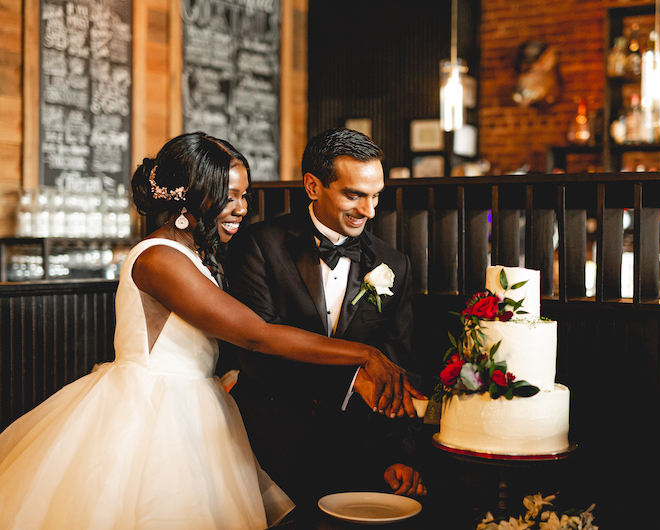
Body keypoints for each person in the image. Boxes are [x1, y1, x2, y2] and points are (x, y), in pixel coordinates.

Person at [0, 132, 413, 529]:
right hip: (153, 414)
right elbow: (255, 334)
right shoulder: (160, 258)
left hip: (197, 406)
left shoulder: (195, 253)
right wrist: (364, 355)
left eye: (243, 196)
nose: (241, 208)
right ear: (190, 196)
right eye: (229, 197)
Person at [222, 127, 427, 509]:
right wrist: (353, 373)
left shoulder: (393, 264)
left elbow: (398, 367)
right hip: (267, 448)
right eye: (354, 195)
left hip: (357, 451)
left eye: (375, 196)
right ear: (313, 186)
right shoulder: (260, 245)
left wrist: (400, 453)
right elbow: (256, 357)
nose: (368, 211)